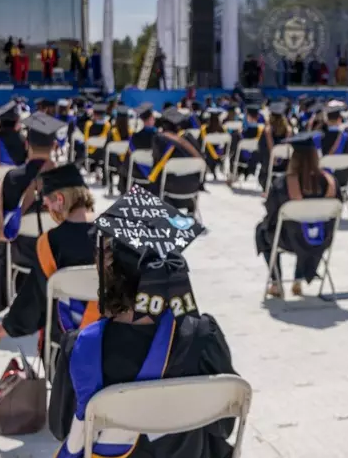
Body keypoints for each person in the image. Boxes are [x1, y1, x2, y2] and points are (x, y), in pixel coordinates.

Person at [49, 186, 233, 458]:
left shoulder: (80, 347)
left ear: (106, 271)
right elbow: (224, 424)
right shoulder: (203, 336)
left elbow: (60, 426)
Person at [0, 163, 97, 352]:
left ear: (59, 199)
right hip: (111, 337)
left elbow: (33, 302)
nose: (46, 207)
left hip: (68, 345)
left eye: (47, 203)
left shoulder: (50, 243)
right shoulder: (115, 233)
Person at [0, 113, 61, 312]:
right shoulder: (69, 179)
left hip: (22, 254)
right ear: (54, 147)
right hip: (56, 256)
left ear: (27, 145)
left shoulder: (11, 179)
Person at [255, 133, 339, 298]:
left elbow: (271, 214)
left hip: (289, 241)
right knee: (306, 228)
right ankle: (298, 280)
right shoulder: (330, 182)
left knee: (262, 231)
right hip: (321, 241)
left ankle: (276, 283)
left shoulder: (283, 183)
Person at [148, 107, 204, 210]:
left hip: (169, 191)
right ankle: (191, 211)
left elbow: (156, 163)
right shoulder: (190, 138)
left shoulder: (160, 139)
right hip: (191, 190)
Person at [257, 102, 292, 194]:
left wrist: (275, 158)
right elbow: (287, 145)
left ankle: (267, 189)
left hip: (270, 163)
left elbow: (269, 146)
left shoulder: (268, 129)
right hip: (284, 163)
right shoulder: (288, 129)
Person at [318, 105, 348, 189]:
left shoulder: (318, 138)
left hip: (323, 180)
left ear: (326, 120)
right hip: (341, 179)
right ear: (339, 120)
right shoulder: (347, 138)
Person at [228, 103, 264, 183]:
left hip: (241, 158)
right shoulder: (262, 130)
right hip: (255, 159)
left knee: (234, 154)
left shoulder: (240, 132)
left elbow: (233, 148)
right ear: (257, 116)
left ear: (247, 115)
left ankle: (234, 175)